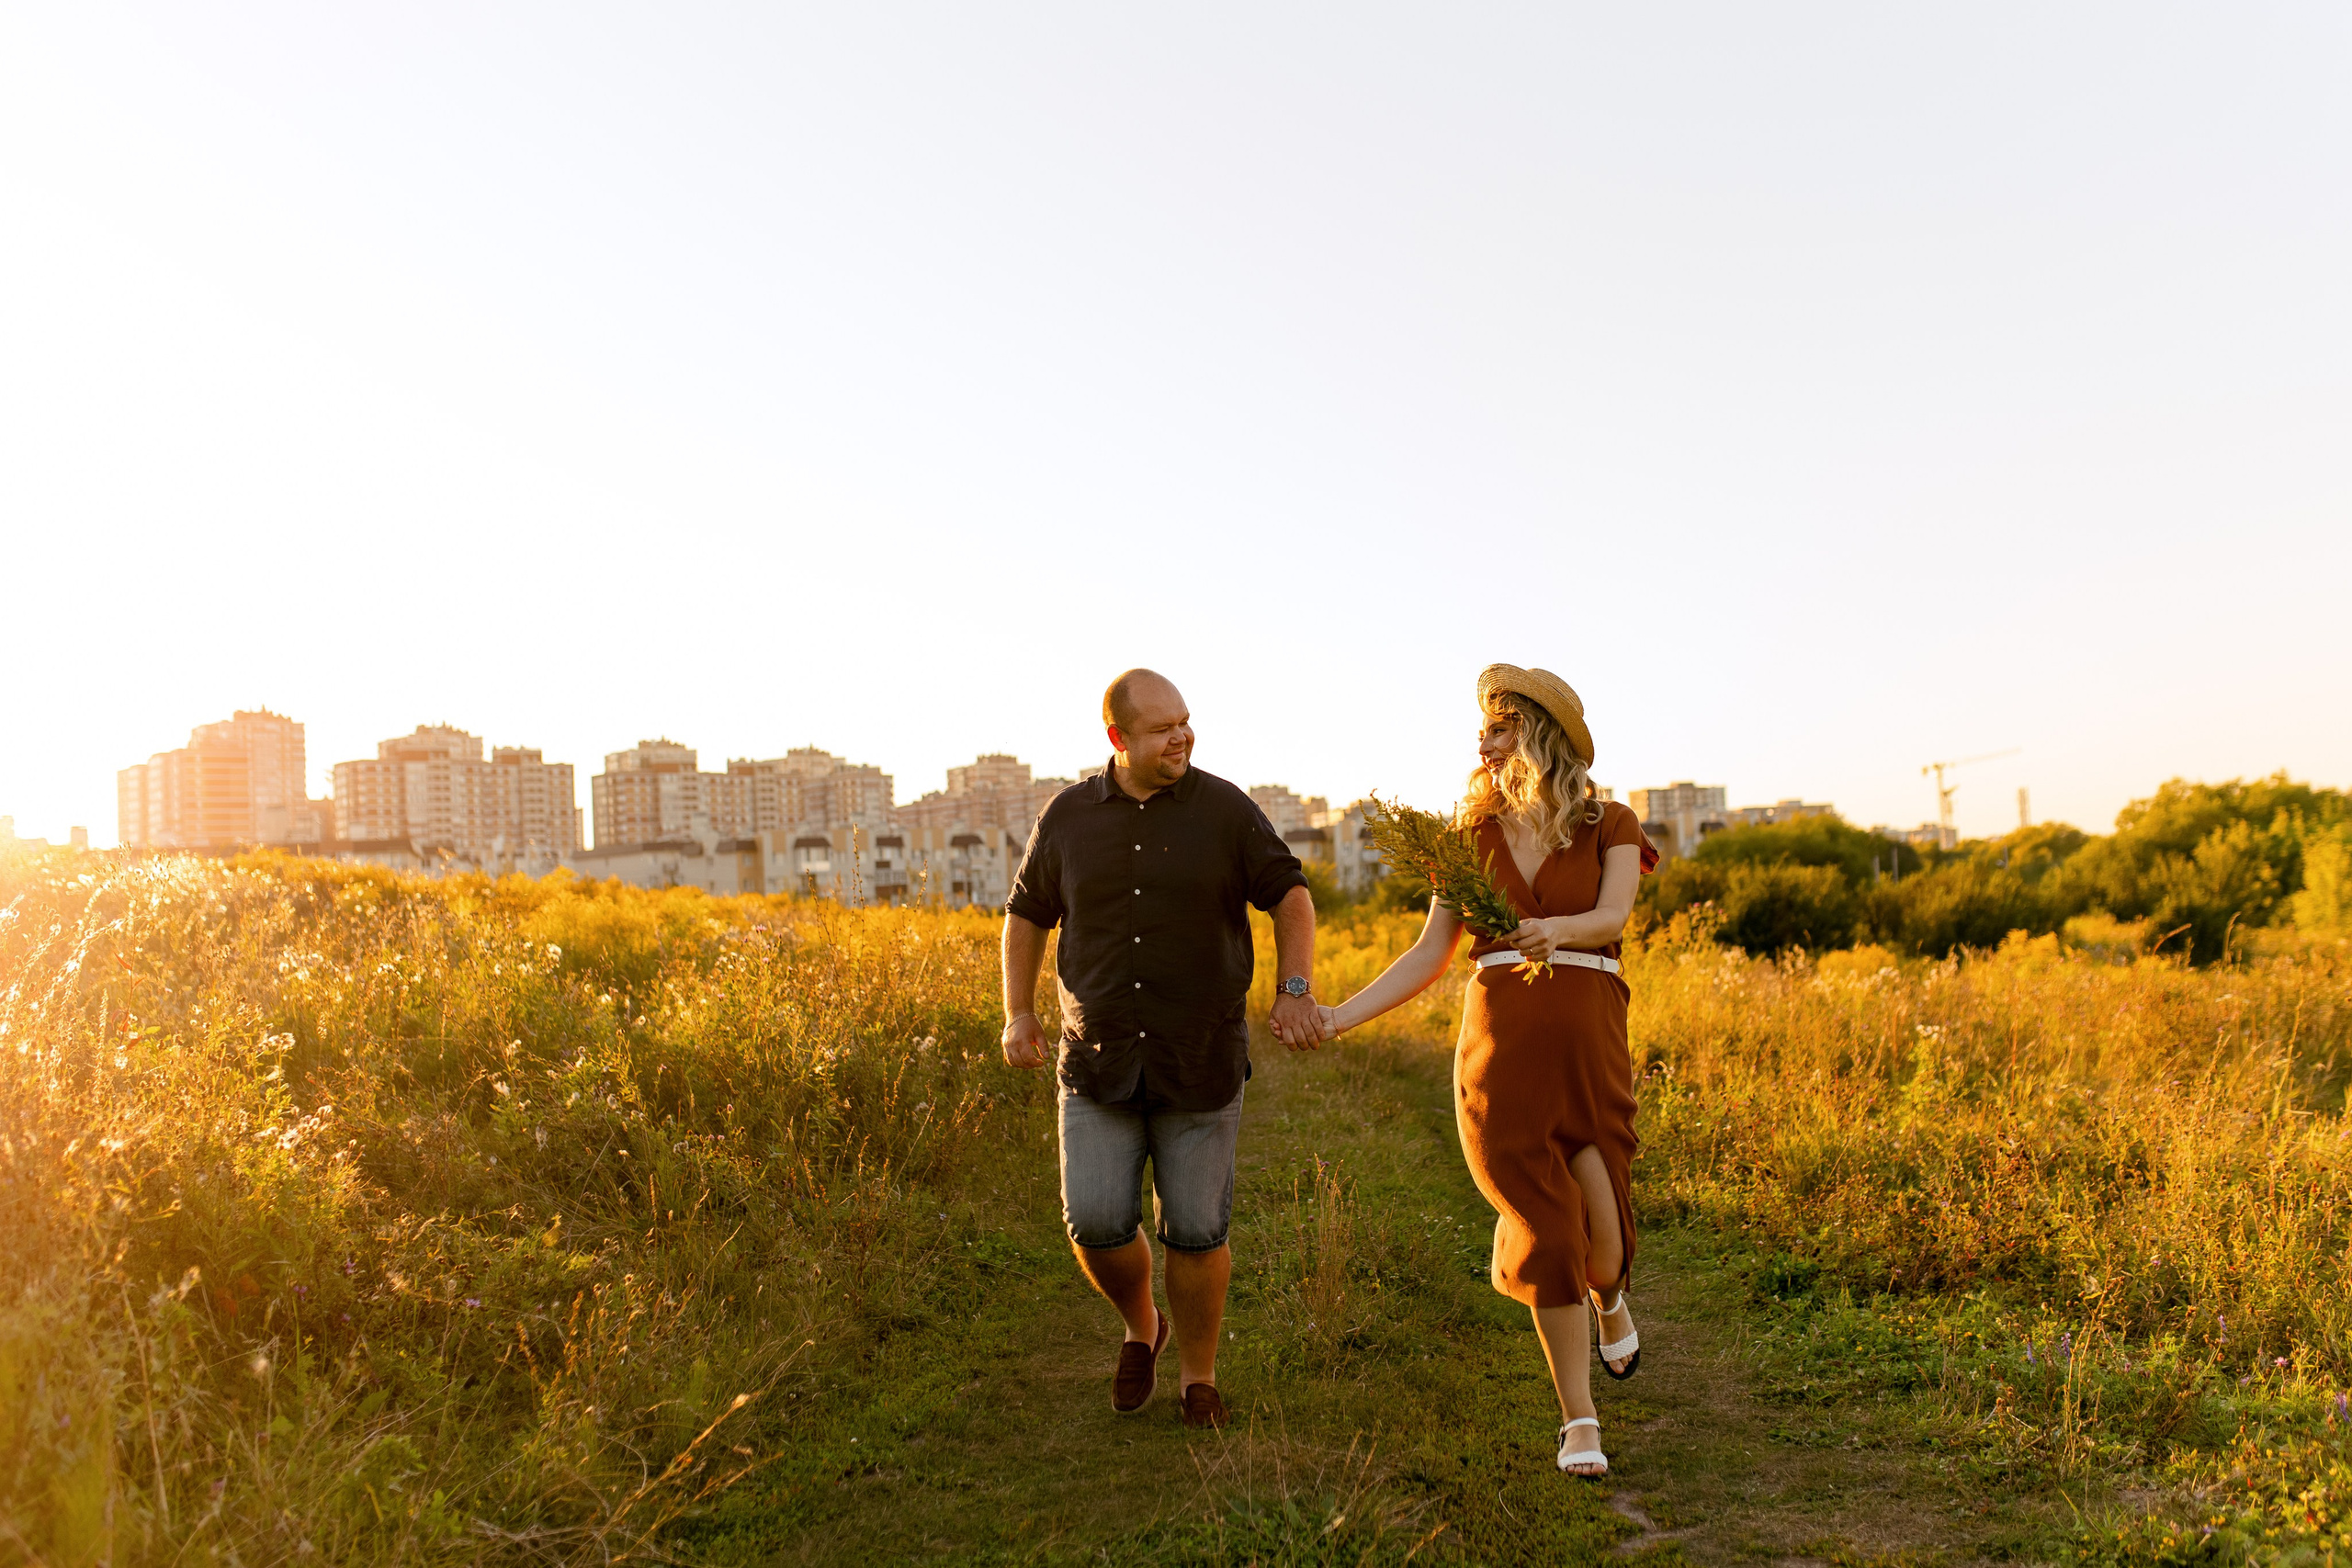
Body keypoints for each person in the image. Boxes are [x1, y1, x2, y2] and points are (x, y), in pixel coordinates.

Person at [1314, 664, 1656, 1478]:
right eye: (1484, 727)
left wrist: (1554, 928)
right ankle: (1579, 1419)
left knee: (1603, 1245)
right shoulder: (1469, 837)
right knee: (1547, 1227)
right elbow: (1430, 955)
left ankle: (1609, 1295)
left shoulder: (1609, 820)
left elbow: (1611, 916)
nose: (1484, 739)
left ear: (1541, 733)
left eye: (1501, 724)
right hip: (1501, 1053)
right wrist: (1336, 1015)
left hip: (1589, 1044)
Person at [1000, 668, 1327, 1430]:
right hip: (1097, 1058)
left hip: (1199, 1059)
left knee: (1196, 1229)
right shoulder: (1069, 816)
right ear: (1118, 738)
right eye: (1162, 727)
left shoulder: (1224, 809)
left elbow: (1291, 895)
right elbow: (1025, 915)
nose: (1182, 735)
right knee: (1096, 1220)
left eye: (1186, 720)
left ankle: (1198, 1377)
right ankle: (1143, 1323)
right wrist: (1017, 1011)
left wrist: (1296, 986)